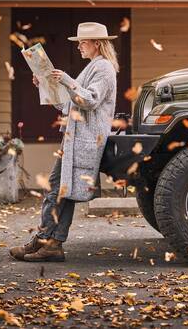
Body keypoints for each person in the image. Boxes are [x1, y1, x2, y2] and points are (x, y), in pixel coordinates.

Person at [10, 22, 118, 262]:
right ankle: (49, 243)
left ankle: (47, 240)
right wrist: (46, 86)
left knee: (57, 190)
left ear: (97, 44)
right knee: (60, 191)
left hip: (84, 140)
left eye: (83, 42)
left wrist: (67, 80)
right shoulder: (93, 67)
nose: (79, 47)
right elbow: (71, 104)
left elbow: (90, 100)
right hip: (75, 140)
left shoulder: (104, 69)